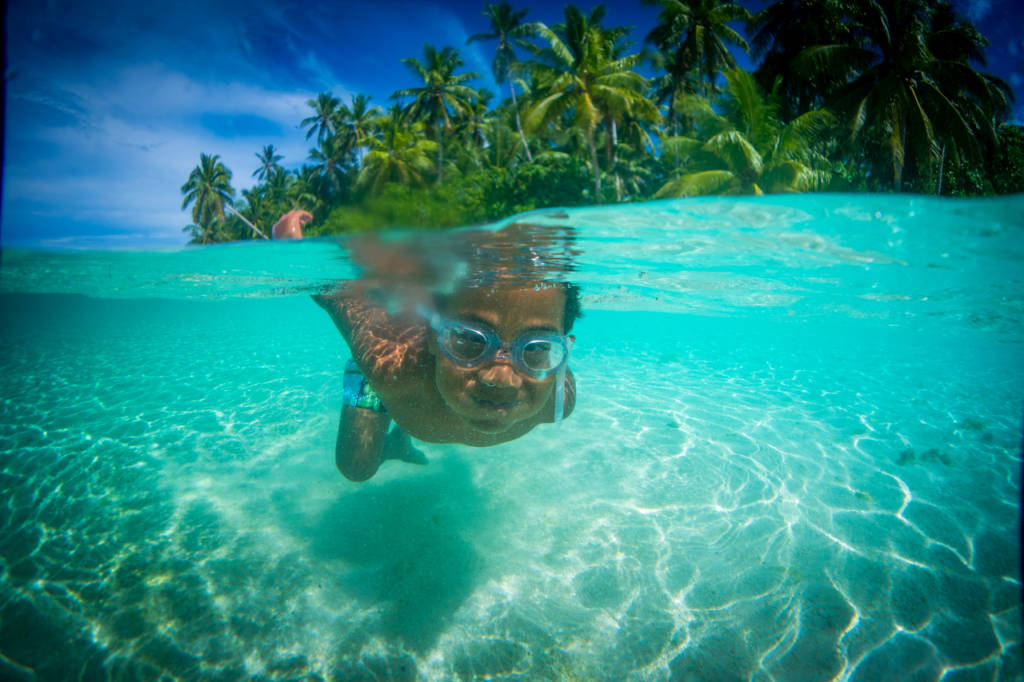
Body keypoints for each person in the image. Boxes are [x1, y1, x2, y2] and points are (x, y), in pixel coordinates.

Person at [272, 210, 580, 482]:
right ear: (432, 337)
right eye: (471, 340)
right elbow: (330, 292)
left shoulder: (557, 401)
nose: (499, 378)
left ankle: (401, 440)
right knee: (356, 467)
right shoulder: (389, 367)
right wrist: (291, 246)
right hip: (399, 374)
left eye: (535, 348)